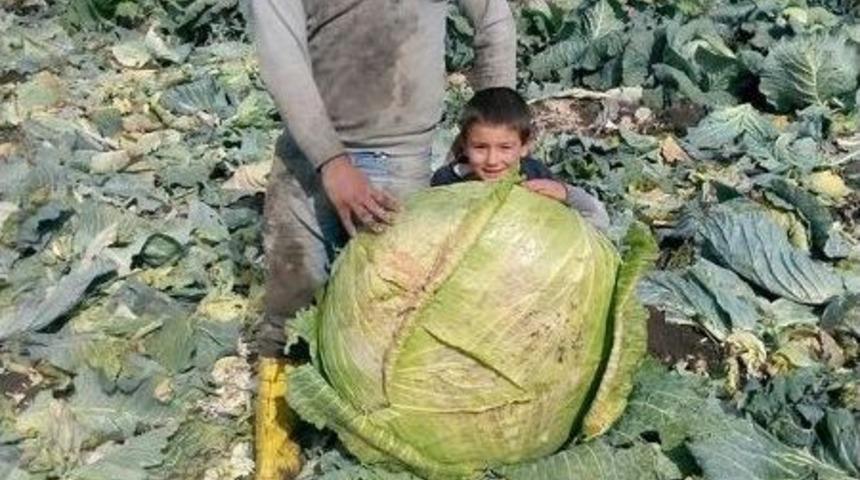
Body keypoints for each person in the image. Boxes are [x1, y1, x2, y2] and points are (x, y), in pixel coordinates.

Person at [249, 1, 517, 479]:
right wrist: (331, 162)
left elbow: (493, 18)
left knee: (392, 316)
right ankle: (277, 437)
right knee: (290, 302)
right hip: (306, 157)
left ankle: (375, 445)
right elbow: (280, 54)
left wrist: (492, 129)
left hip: (400, 156)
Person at [431, 87, 610, 231]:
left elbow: (599, 221)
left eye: (505, 148)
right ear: (464, 145)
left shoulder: (535, 175)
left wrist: (566, 193)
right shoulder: (448, 182)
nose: (492, 160)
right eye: (480, 147)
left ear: (525, 146)